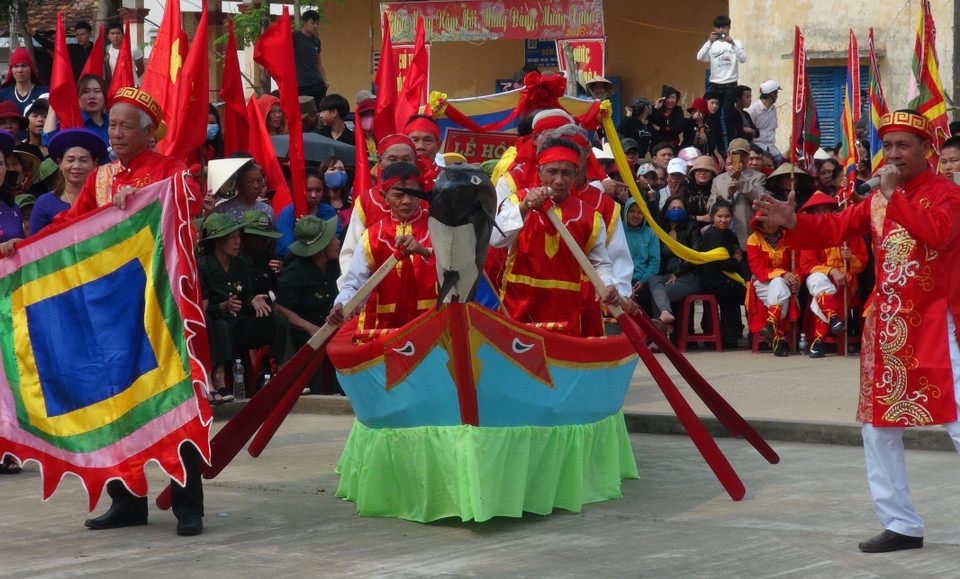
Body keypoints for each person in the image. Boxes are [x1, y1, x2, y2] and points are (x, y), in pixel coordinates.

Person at [754, 109, 960, 553]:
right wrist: (791, 222)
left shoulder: (947, 195)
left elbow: (938, 236)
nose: (893, 154)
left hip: (936, 326)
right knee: (878, 429)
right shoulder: (875, 200)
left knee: (957, 420)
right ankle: (901, 523)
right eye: (887, 146)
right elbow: (833, 225)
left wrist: (895, 197)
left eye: (903, 146)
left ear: (928, 150)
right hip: (887, 328)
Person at [30, 88, 206, 536]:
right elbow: (71, 224)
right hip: (108, 311)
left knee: (173, 400)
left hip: (159, 307)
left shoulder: (171, 173)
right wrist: (23, 248)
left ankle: (189, 505)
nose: (117, 132)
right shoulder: (102, 176)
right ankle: (126, 501)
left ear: (150, 133)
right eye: (112, 124)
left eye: (127, 126)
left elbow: (188, 213)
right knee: (114, 399)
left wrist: (148, 203)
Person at [490, 138, 622, 336]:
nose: (559, 180)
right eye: (552, 172)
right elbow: (496, 239)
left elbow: (600, 264)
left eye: (566, 173)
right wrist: (524, 207)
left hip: (565, 314)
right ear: (539, 172)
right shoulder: (516, 202)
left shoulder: (589, 217)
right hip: (518, 310)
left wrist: (609, 283)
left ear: (576, 175)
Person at [328, 162, 436, 334]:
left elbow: (455, 270)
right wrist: (343, 304)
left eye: (413, 195)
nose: (407, 201)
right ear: (384, 196)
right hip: (382, 330)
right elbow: (354, 284)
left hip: (430, 326)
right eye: (399, 195)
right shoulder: (372, 237)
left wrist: (423, 251)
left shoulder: (439, 229)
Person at [199, 213, 292, 401]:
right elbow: (201, 310)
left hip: (242, 325)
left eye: (238, 236)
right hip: (218, 328)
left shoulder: (239, 263)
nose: (237, 242)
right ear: (217, 241)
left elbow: (247, 294)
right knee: (221, 326)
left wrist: (253, 301)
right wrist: (222, 307)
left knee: (278, 321)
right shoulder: (203, 266)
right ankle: (219, 381)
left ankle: (285, 376)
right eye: (231, 237)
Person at [338, 134, 419, 285]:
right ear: (380, 162)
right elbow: (350, 252)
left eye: (406, 160)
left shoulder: (430, 198)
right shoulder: (366, 201)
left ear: (415, 161)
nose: (398, 165)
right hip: (377, 292)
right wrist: (352, 292)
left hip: (422, 291)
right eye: (392, 159)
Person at [275, 215, 341, 394]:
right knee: (312, 346)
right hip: (302, 332)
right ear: (321, 249)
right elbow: (280, 308)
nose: (337, 242)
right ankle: (316, 396)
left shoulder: (335, 265)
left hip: (332, 326)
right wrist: (311, 328)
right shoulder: (296, 272)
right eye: (333, 238)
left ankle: (340, 393)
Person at [796, 192, 868, 357]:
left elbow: (862, 262)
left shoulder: (849, 230)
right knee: (818, 281)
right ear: (812, 214)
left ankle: (818, 340)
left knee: (824, 292)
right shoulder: (810, 234)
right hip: (821, 276)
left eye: (825, 210)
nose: (823, 214)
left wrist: (850, 259)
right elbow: (807, 265)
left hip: (846, 277)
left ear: (833, 210)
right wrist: (831, 271)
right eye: (818, 211)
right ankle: (833, 319)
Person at [642, 196, 702, 333]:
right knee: (652, 280)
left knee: (659, 294)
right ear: (666, 211)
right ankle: (665, 314)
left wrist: (677, 273)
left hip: (688, 276)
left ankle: (658, 336)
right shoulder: (661, 229)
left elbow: (694, 254)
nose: (676, 210)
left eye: (680, 208)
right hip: (667, 276)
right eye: (673, 208)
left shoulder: (692, 227)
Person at [30, 128, 107, 234]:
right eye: (70, 160)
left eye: (83, 160)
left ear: (94, 163)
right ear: (60, 163)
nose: (76, 166)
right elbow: (34, 245)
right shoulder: (44, 203)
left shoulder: (105, 199)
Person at [745, 216, 798, 357]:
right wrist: (782, 274)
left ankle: (771, 325)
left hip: (785, 281)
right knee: (780, 290)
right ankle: (778, 339)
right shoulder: (753, 239)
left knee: (779, 287)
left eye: (773, 219)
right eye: (766, 220)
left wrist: (795, 280)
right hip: (762, 282)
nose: (770, 223)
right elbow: (758, 269)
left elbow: (797, 264)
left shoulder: (789, 236)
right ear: (760, 222)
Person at [699, 201, 749, 348]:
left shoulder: (728, 234)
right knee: (735, 293)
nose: (723, 220)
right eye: (719, 216)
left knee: (747, 290)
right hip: (712, 280)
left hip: (726, 278)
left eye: (727, 216)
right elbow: (725, 264)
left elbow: (737, 259)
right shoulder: (711, 235)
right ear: (713, 217)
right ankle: (728, 336)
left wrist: (734, 262)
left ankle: (733, 333)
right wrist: (733, 261)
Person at [708, 138, 767, 250]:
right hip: (722, 238)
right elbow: (710, 208)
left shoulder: (758, 177)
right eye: (736, 154)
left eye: (743, 154)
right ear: (728, 155)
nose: (740, 158)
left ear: (748, 155)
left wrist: (740, 178)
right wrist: (728, 196)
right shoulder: (718, 180)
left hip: (747, 237)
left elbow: (761, 201)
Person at [697, 14, 746, 144]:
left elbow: (742, 59)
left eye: (724, 27)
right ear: (714, 29)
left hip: (730, 83)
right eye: (718, 28)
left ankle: (731, 145)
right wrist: (709, 42)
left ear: (729, 28)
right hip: (715, 83)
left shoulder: (736, 43)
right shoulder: (712, 45)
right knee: (714, 115)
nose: (721, 31)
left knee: (729, 114)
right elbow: (700, 57)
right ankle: (718, 146)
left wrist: (732, 44)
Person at [276, 166, 337, 256]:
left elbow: (334, 240)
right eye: (309, 190)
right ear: (300, 189)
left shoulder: (330, 212)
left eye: (318, 190)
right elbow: (286, 248)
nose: (313, 195)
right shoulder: (287, 213)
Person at [43, 74, 110, 147]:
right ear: (77, 97)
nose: (92, 96)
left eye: (97, 91)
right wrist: (55, 100)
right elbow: (48, 140)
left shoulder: (112, 121)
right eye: (86, 92)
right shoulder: (71, 122)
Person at [213, 160, 276, 225]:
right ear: (238, 184)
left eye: (259, 181)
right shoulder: (222, 210)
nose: (256, 186)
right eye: (250, 181)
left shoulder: (267, 210)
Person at [623, 197, 660, 306]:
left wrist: (642, 281)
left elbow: (655, 262)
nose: (636, 215)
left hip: (642, 281)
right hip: (619, 281)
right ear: (626, 212)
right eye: (632, 211)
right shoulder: (617, 230)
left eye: (640, 212)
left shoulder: (651, 234)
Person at [293, 9, 329, 106]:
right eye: (312, 23)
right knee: (304, 114)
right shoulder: (295, 37)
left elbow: (319, 63)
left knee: (320, 113)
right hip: (302, 86)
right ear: (304, 22)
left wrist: (325, 81)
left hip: (318, 84)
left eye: (317, 23)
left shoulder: (316, 41)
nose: (315, 26)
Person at [0, 48, 48, 114]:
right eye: (16, 66)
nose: (20, 70)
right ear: (11, 69)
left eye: (23, 66)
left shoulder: (44, 93)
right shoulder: (3, 94)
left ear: (31, 68)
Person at [746, 80, 781, 161]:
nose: (777, 96)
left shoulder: (773, 109)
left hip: (772, 148)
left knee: (783, 164)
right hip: (757, 149)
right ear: (772, 94)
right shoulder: (753, 110)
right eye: (776, 93)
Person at [686, 155, 718, 225]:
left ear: (712, 174)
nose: (703, 173)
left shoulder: (717, 190)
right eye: (699, 170)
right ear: (694, 173)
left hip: (713, 229)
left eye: (706, 170)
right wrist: (701, 218)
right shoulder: (685, 190)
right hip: (689, 229)